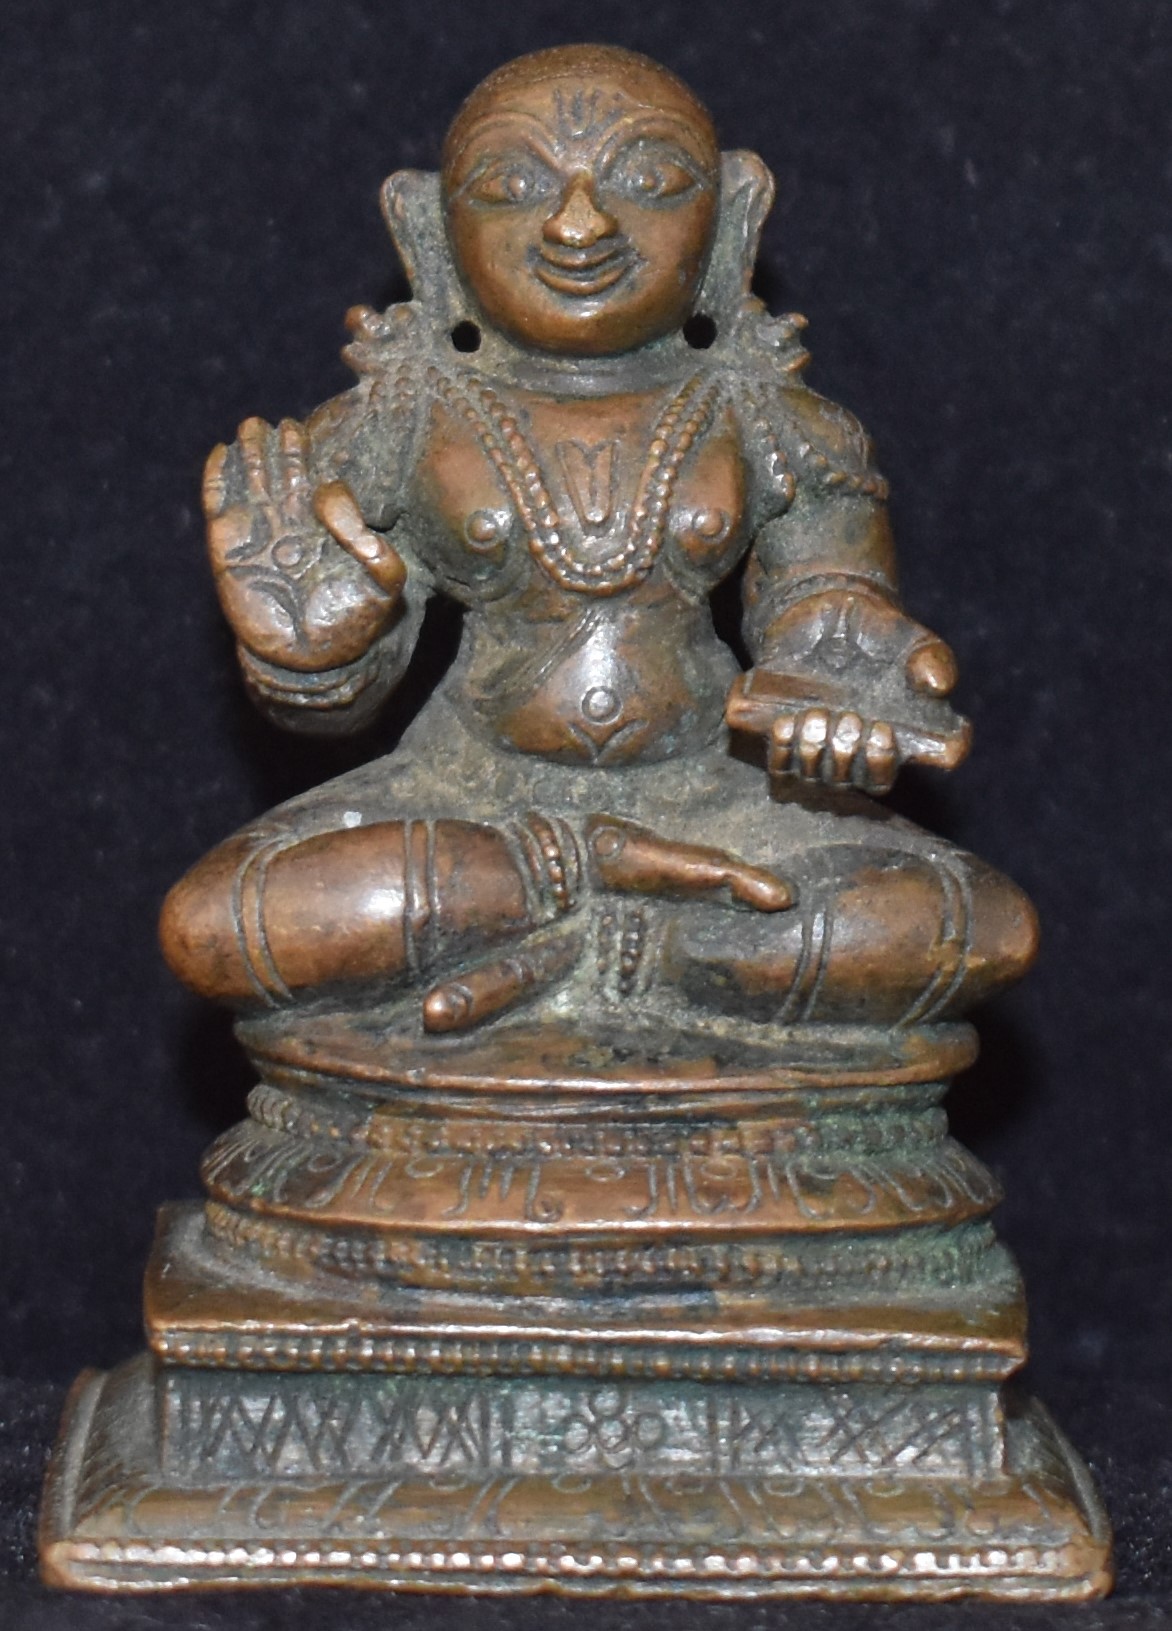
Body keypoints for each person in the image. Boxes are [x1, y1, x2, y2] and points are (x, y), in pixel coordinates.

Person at [161, 43, 1036, 1037]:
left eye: (649, 180)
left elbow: (824, 597)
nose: (578, 226)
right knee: (212, 923)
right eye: (512, 186)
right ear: (425, 229)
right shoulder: (393, 423)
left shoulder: (778, 422)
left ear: (735, 216)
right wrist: (314, 661)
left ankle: (624, 945)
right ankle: (581, 881)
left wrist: (839, 670)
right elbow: (341, 702)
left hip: (714, 797)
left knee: (982, 925)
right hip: (474, 805)